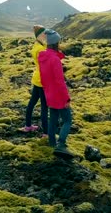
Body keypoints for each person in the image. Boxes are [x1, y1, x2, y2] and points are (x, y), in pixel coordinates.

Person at [38, 29, 74, 158]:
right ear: (56, 43)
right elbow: (60, 82)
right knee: (67, 120)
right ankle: (61, 144)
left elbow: (43, 78)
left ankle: (52, 143)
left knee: (52, 119)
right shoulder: (55, 60)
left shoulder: (42, 57)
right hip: (59, 95)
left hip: (49, 93)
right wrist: (67, 98)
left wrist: (47, 91)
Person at [20, 25, 48, 136]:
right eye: (43, 33)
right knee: (44, 107)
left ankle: (28, 126)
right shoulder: (40, 49)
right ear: (38, 36)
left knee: (32, 102)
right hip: (42, 80)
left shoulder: (38, 45)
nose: (45, 35)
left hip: (37, 78)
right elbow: (46, 66)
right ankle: (46, 133)